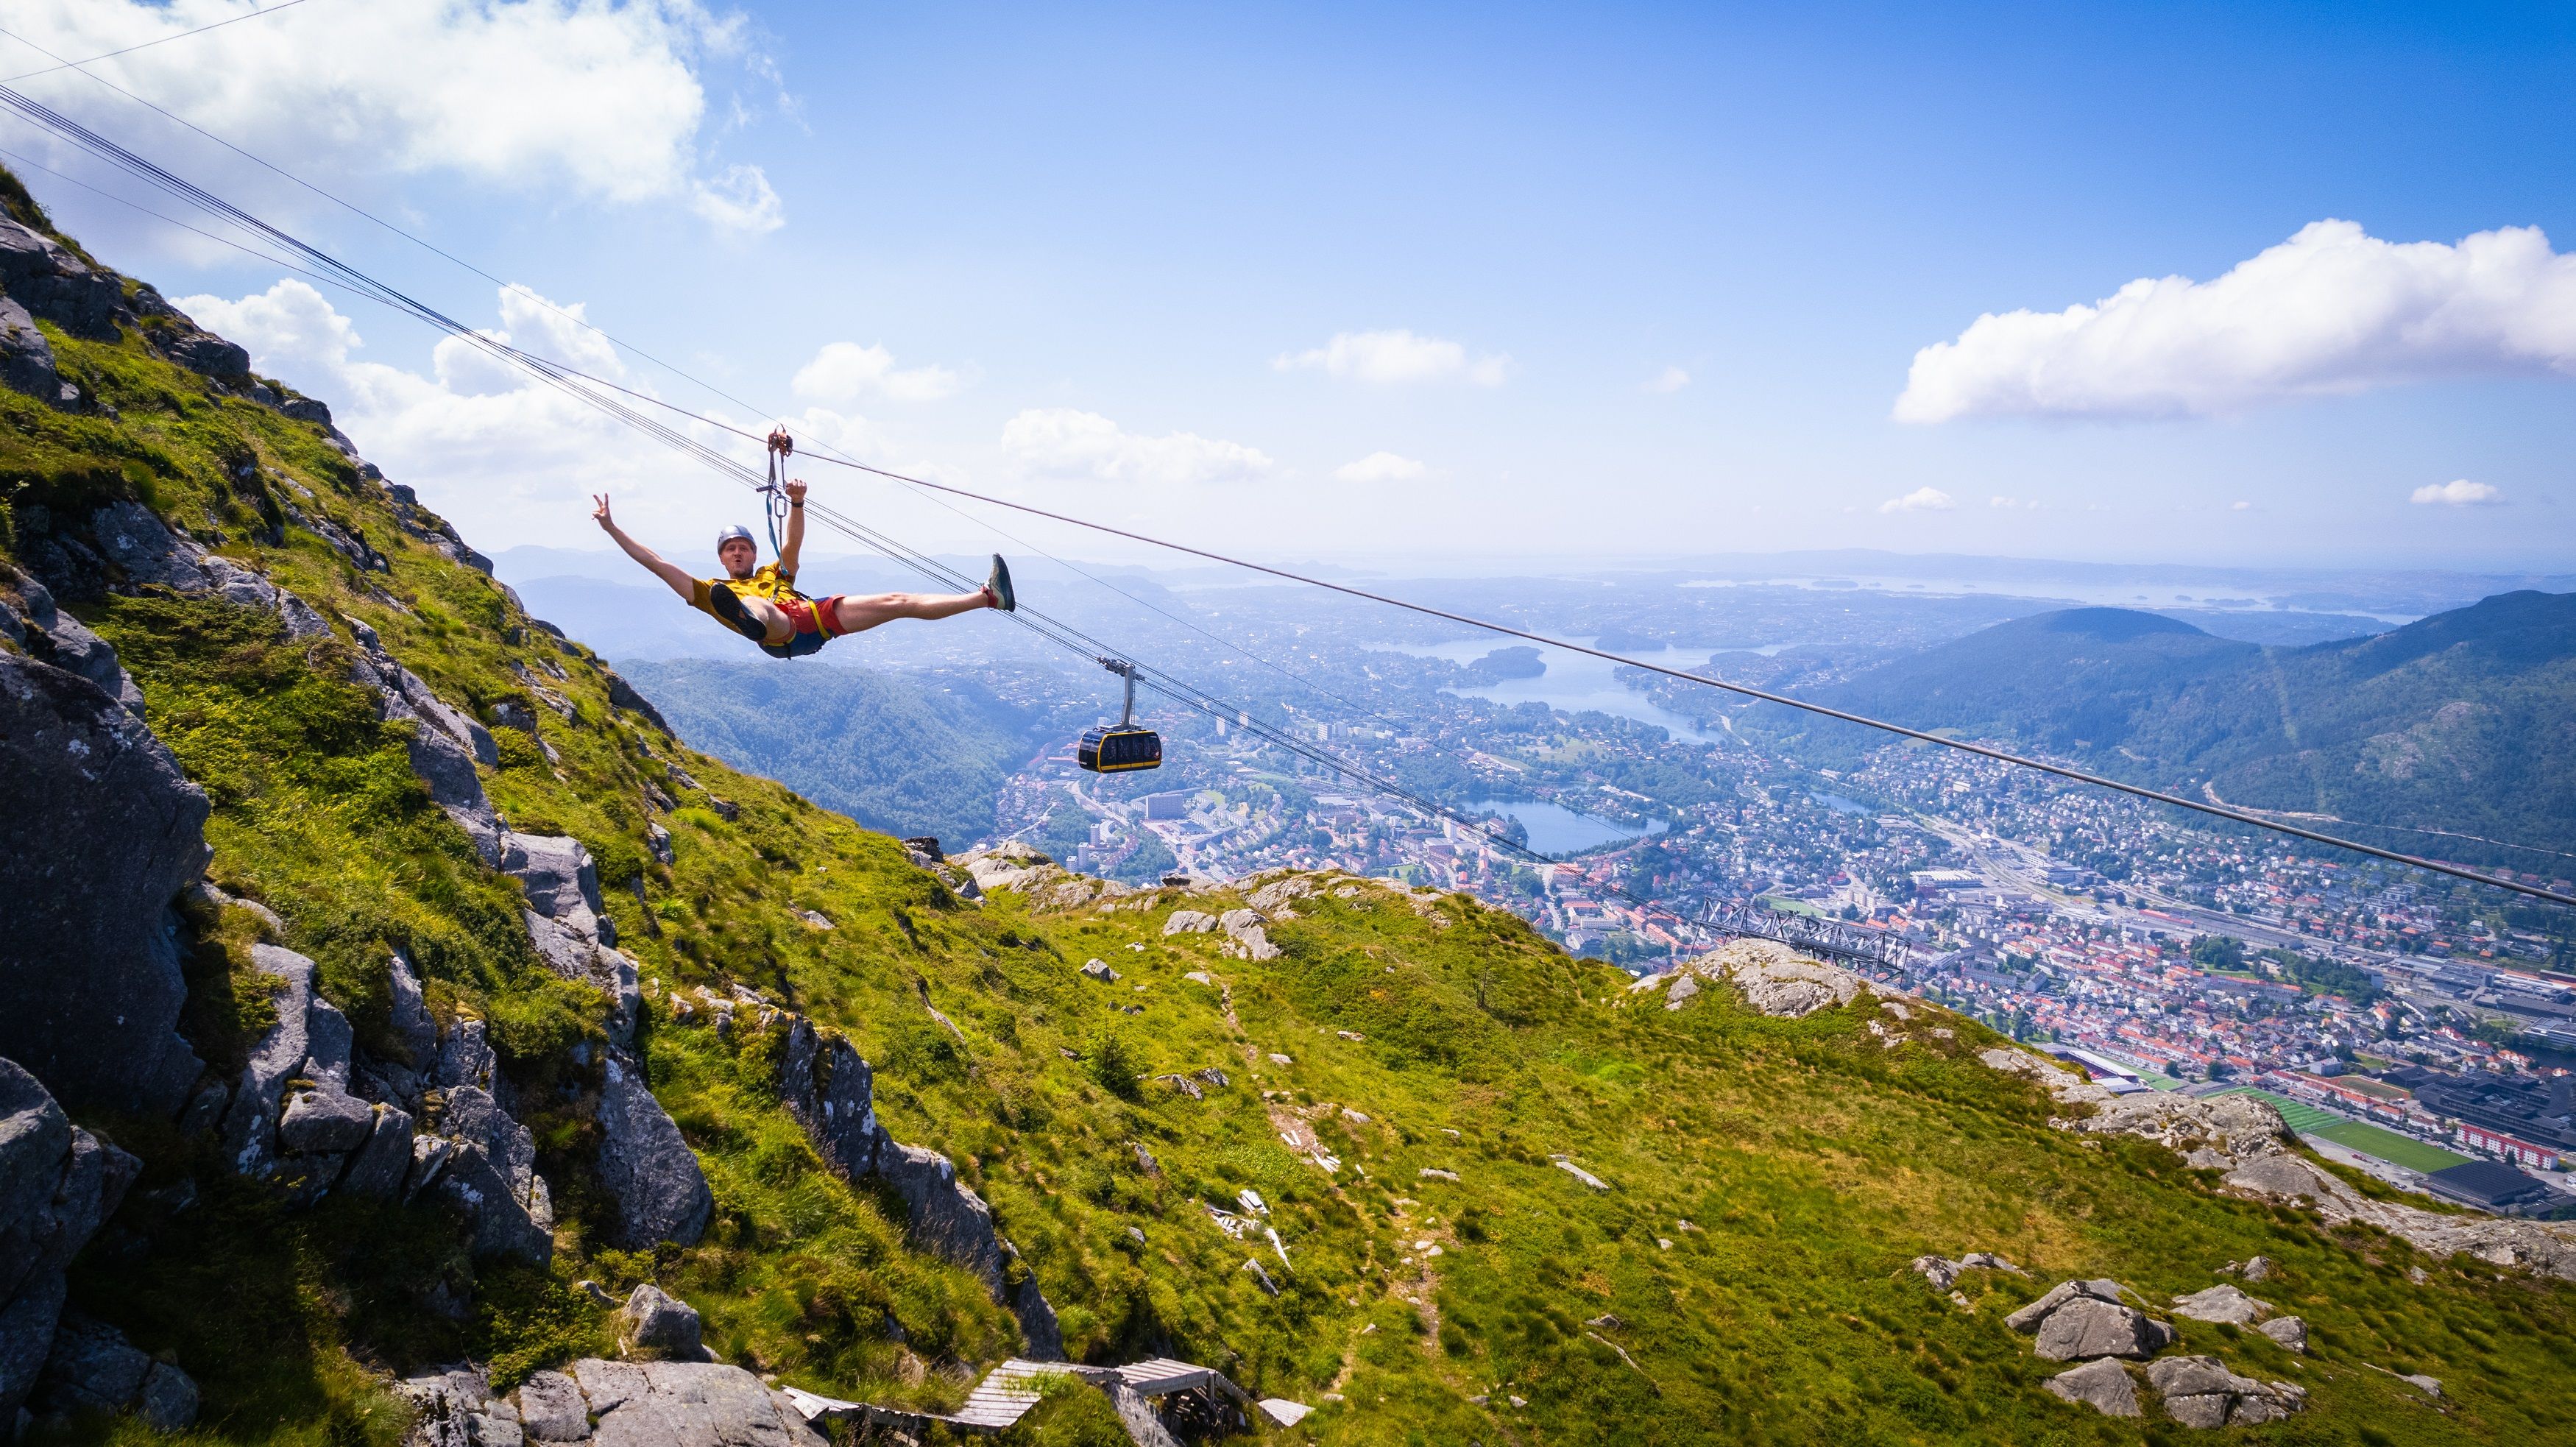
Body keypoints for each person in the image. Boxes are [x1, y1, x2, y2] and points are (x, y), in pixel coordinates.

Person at [592, 478, 1013, 659]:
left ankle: (987, 598)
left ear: (754, 554)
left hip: (814, 619)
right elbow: (656, 562)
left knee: (897, 601)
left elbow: (792, 544)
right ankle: (750, 619)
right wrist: (612, 528)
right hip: (779, 636)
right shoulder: (707, 590)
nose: (737, 553)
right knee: (762, 609)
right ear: (721, 559)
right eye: (730, 549)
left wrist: (797, 502)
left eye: (743, 548)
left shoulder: (776, 573)